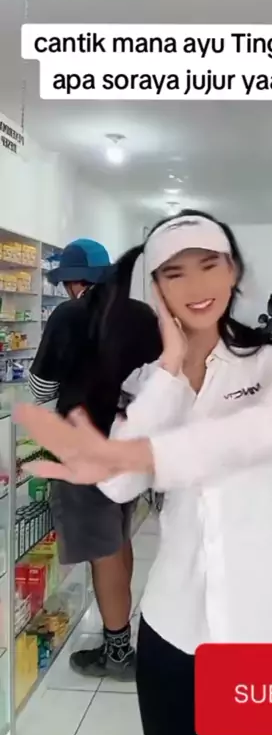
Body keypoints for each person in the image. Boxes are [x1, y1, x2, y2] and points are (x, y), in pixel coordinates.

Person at [17, 211, 272, 735]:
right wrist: (171, 371)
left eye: (208, 267)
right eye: (173, 274)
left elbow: (271, 431)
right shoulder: (147, 382)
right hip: (176, 629)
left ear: (232, 274)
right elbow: (118, 486)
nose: (194, 287)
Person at [28, 238, 162, 680]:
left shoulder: (69, 315)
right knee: (119, 537)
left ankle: (118, 652)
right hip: (129, 445)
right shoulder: (141, 314)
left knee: (103, 549)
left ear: (73, 282)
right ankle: (119, 636)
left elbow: (40, 389)